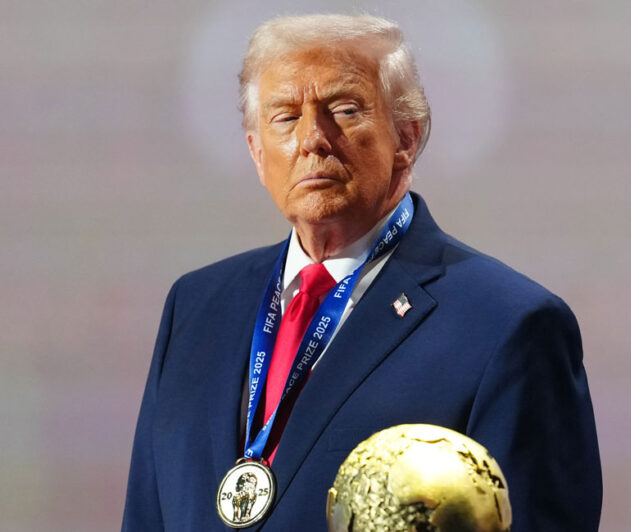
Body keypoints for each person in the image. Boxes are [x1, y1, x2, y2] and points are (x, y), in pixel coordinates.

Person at [122, 14, 601, 531]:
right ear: (257, 154)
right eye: (285, 117)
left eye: (344, 110)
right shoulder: (196, 306)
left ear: (406, 138)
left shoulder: (508, 325)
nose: (312, 139)